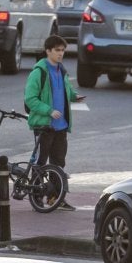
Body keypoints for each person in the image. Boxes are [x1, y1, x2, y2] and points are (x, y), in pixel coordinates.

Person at [24, 34, 82, 209]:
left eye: (63, 50)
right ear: (48, 51)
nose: (61, 54)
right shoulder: (39, 72)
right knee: (41, 162)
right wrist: (48, 111)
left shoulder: (61, 71)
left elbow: (66, 91)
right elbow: (30, 99)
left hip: (61, 126)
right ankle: (37, 197)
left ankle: (56, 198)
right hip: (44, 126)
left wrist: (74, 96)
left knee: (58, 163)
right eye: (57, 50)